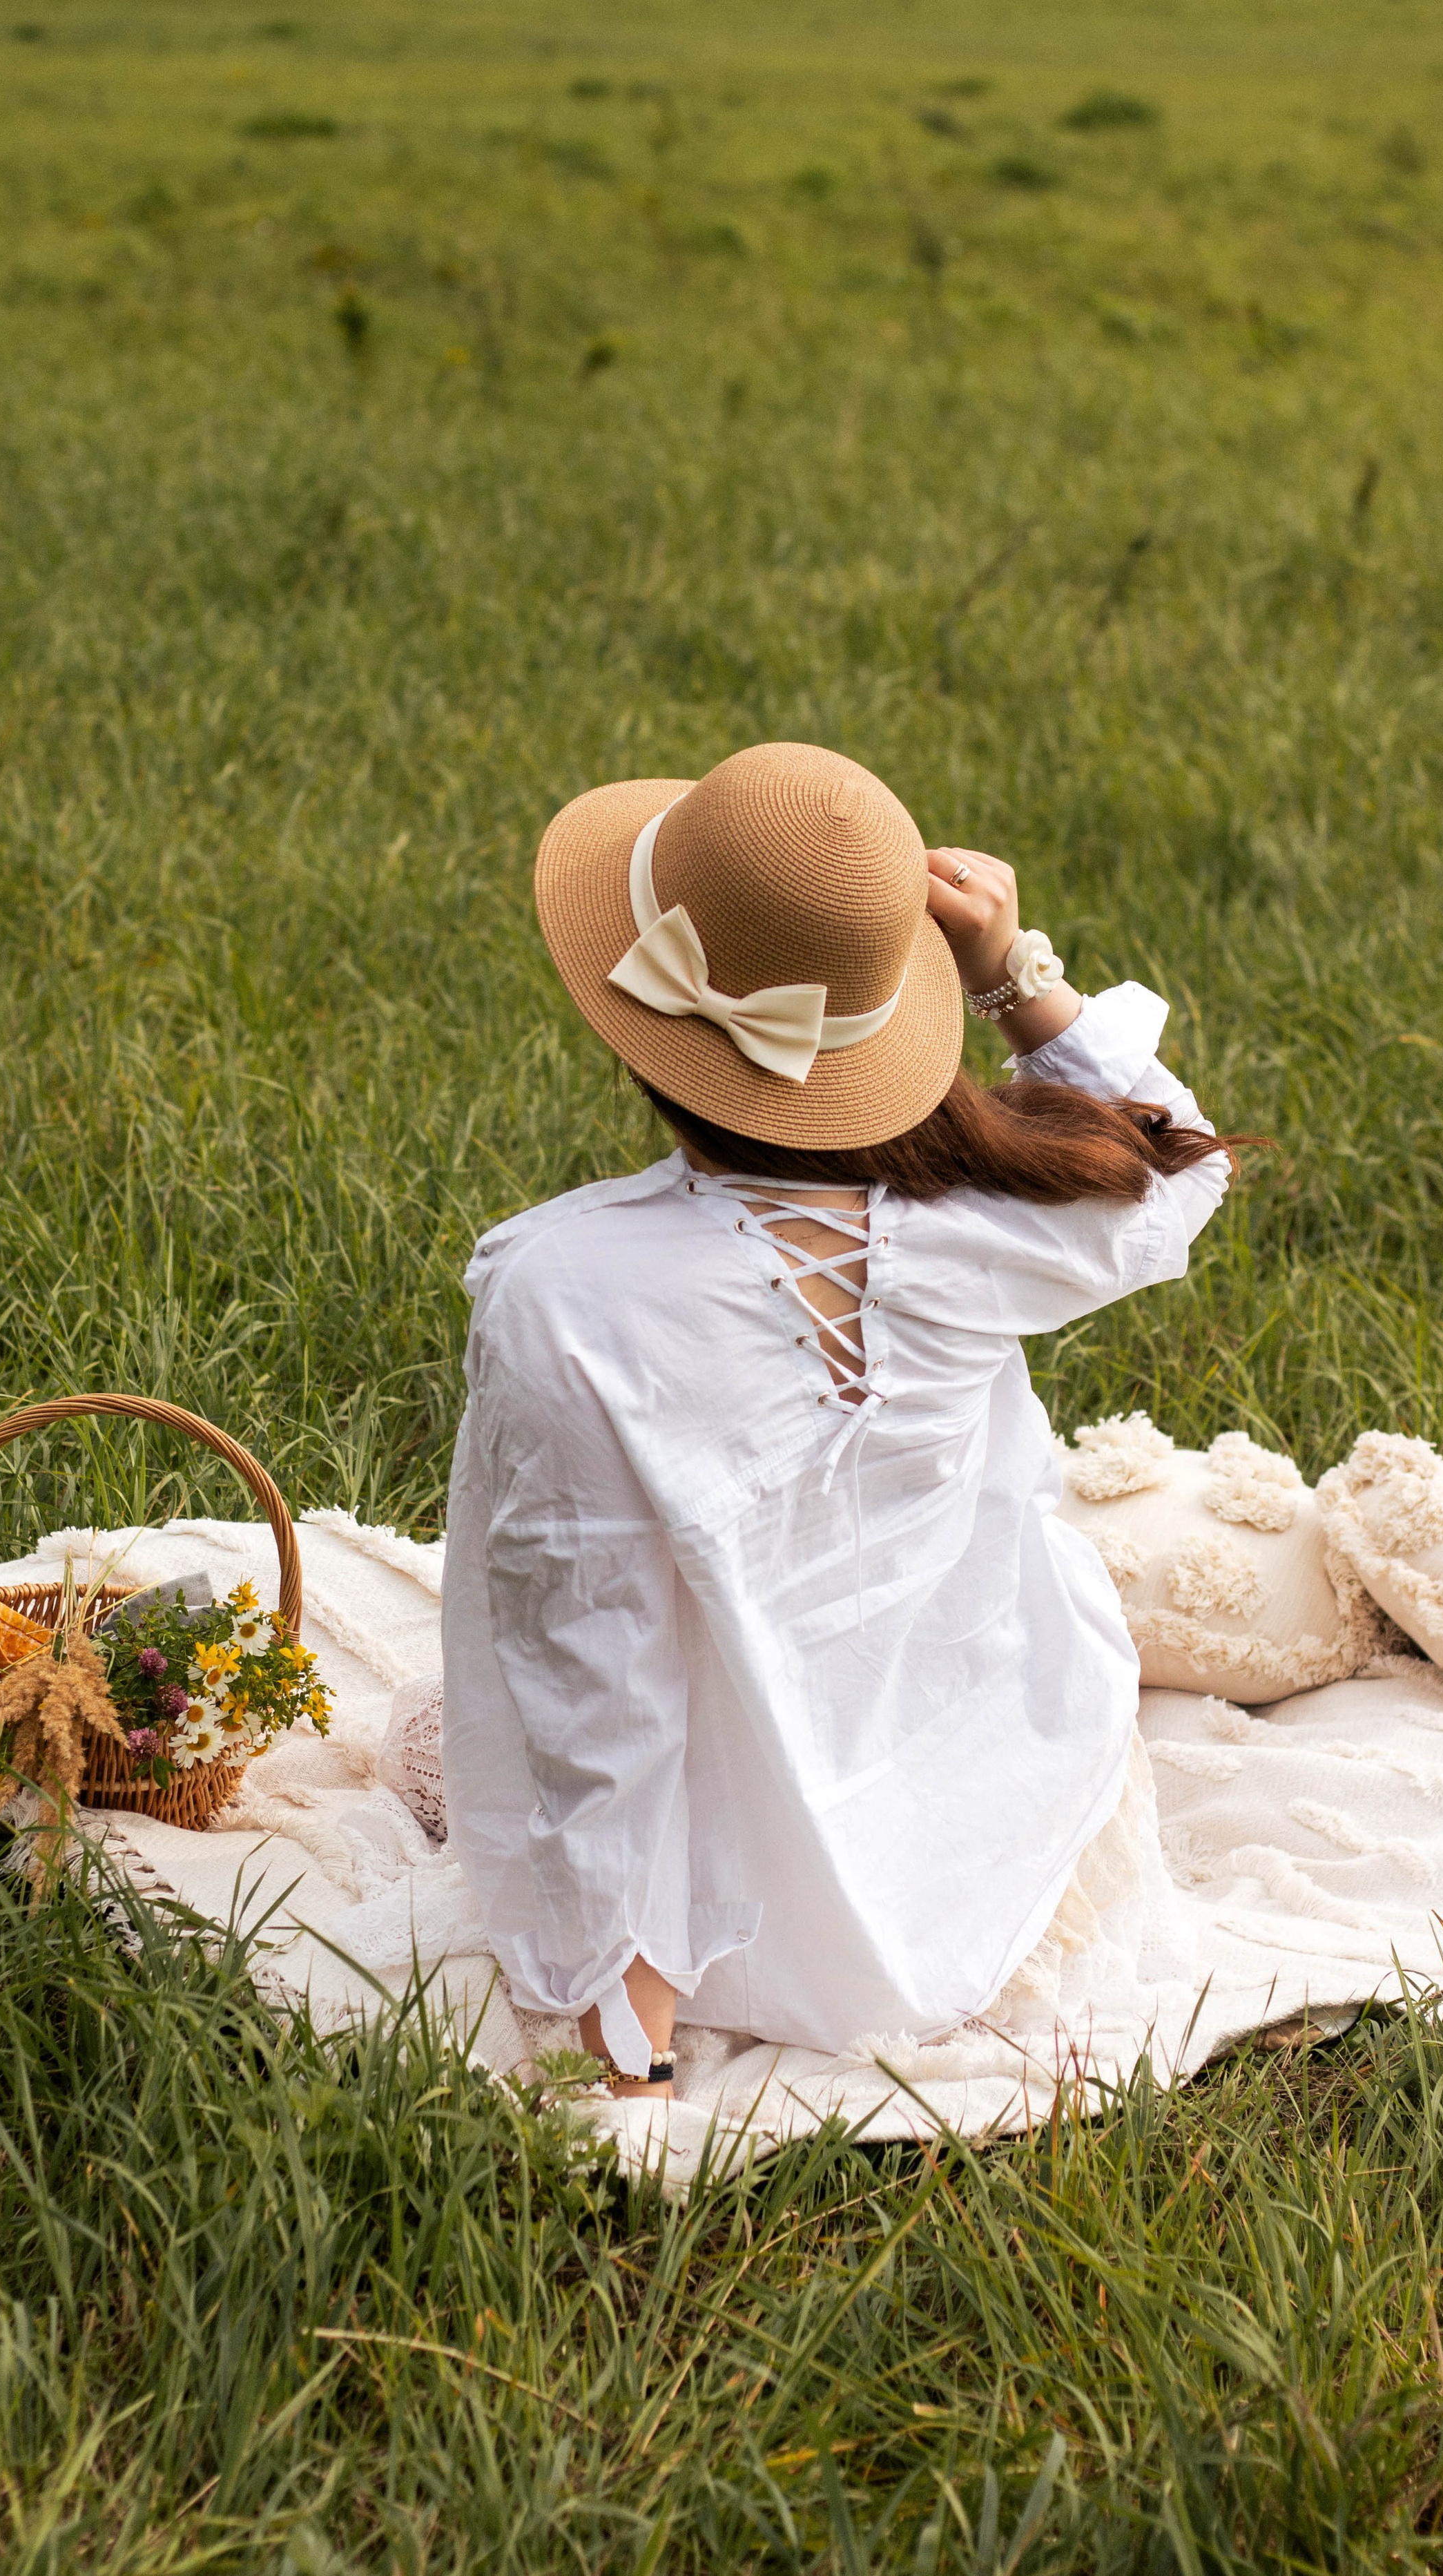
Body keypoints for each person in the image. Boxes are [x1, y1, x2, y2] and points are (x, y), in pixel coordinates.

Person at [439, 742, 1241, 2097]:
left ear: (640, 1012)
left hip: (771, 1927)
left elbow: (589, 1666)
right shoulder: (980, 1212)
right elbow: (1173, 1170)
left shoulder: (565, 1292)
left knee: (432, 1729)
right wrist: (1012, 976)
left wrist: (615, 2017)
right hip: (1004, 1787)